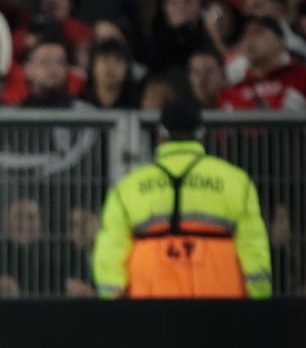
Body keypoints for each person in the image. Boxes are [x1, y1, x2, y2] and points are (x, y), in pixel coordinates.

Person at [93, 100, 272, 299]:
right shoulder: (237, 181)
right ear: (201, 135)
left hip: (150, 306)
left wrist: (112, 301)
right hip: (221, 304)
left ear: (161, 136)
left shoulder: (127, 187)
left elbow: (111, 250)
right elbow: (253, 245)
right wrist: (260, 297)